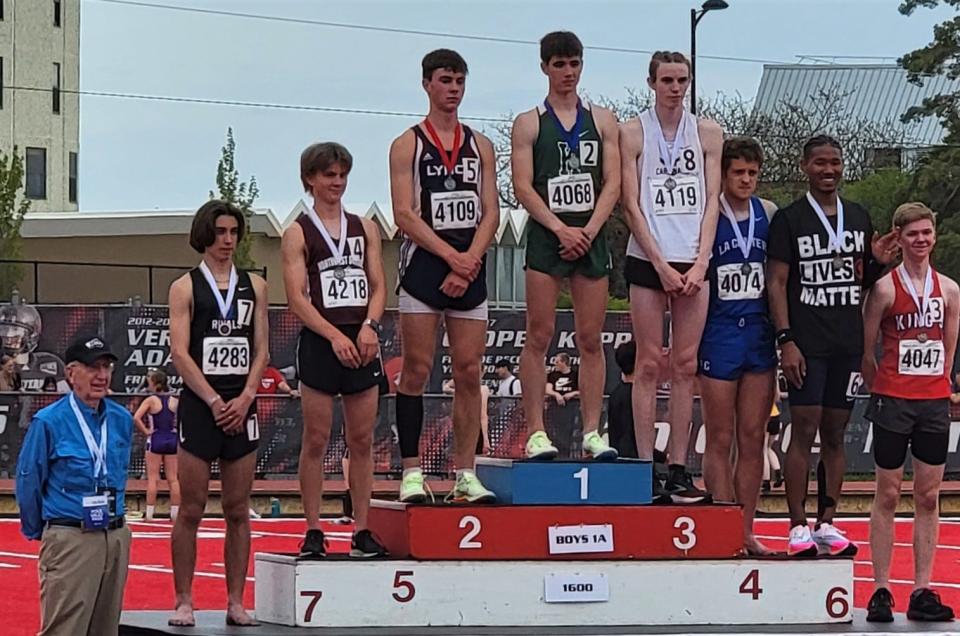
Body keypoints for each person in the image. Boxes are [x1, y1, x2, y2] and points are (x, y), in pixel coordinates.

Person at [767, 134, 899, 557]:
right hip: (806, 341)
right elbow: (777, 283)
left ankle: (827, 522)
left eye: (836, 162)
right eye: (821, 163)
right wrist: (786, 340)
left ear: (844, 166)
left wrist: (877, 262)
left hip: (846, 341)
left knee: (837, 434)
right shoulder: (789, 220)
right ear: (805, 166)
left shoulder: (858, 217)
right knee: (803, 430)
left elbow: (857, 280)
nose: (829, 170)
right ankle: (797, 525)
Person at [389, 49, 500, 503]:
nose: (452, 88)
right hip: (425, 264)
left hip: (470, 261)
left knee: (470, 371)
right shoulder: (407, 144)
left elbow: (491, 211)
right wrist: (450, 258)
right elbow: (403, 213)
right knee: (417, 369)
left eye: (459, 81)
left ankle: (465, 473)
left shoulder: (481, 145)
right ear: (426, 85)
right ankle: (412, 470)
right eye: (444, 80)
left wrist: (469, 258)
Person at [619, 51, 722, 503]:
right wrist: (658, 262)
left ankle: (679, 466)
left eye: (682, 80)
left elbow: (714, 197)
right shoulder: (631, 131)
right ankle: (645, 466)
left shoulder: (709, 133)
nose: (675, 88)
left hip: (694, 258)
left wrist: (701, 261)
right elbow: (629, 202)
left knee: (685, 366)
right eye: (667, 80)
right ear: (651, 82)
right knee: (647, 364)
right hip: (648, 257)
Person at [513, 31, 619, 462]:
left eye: (574, 64)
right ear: (544, 68)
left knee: (590, 339)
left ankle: (593, 431)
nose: (568, 73)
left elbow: (613, 183)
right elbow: (522, 186)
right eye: (559, 64)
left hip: (590, 236)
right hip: (547, 235)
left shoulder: (604, 120)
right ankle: (537, 432)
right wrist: (560, 229)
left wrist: (589, 230)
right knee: (538, 335)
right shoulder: (529, 122)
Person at [282, 141, 388, 559]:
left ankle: (361, 529)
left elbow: (378, 285)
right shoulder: (297, 232)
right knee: (317, 439)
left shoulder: (365, 228)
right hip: (323, 342)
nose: (337, 182)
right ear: (311, 179)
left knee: (362, 439)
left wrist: (369, 327)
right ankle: (313, 528)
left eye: (342, 174)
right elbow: (296, 299)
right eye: (329, 175)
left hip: (362, 340)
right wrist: (334, 336)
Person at [167, 200, 269, 627]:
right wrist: (211, 400)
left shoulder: (256, 286)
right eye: (220, 232)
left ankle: (235, 600)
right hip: (200, 405)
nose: (227, 240)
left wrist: (246, 397)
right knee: (190, 508)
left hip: (241, 404)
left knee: (237, 509)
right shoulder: (184, 287)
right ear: (204, 235)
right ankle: (184, 599)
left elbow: (261, 348)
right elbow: (179, 352)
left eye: (233, 233)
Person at [861, 202, 958, 622]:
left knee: (929, 495)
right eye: (913, 234)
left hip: (933, 402)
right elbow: (867, 349)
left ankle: (922, 588)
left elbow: (948, 348)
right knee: (886, 493)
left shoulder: (950, 290)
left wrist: (942, 387)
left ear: (934, 237)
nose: (921, 240)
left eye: (926, 233)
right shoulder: (884, 289)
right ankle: (881, 588)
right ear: (898, 238)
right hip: (893, 399)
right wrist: (879, 383)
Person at [16, 336, 132, 636]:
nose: (102, 376)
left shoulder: (121, 419)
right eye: (93, 368)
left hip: (116, 533)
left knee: (106, 628)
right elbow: (28, 480)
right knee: (64, 629)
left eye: (106, 367)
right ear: (71, 373)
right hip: (71, 534)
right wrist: (46, 532)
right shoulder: (49, 421)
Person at [697, 138, 778, 554]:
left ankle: (746, 529)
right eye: (738, 173)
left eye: (752, 173)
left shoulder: (768, 214)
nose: (746, 180)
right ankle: (722, 523)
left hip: (759, 333)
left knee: (754, 436)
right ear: (724, 174)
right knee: (720, 435)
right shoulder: (710, 214)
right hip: (719, 330)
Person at [133, 368, 180, 522]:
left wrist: (147, 431)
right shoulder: (174, 399)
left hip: (156, 438)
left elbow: (136, 417)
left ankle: (150, 514)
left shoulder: (151, 400)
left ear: (155, 383)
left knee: (153, 478)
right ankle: (174, 514)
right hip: (172, 438)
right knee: (173, 478)